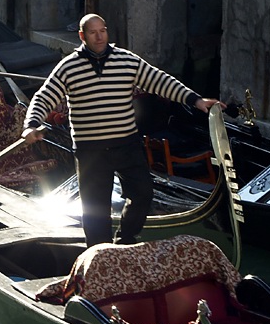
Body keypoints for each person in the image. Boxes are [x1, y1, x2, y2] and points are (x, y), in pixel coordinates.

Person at [21, 13, 223, 247]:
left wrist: (196, 100)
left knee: (143, 194)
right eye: (93, 32)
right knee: (96, 210)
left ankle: (126, 239)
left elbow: (160, 81)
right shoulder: (69, 67)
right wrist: (31, 124)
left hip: (126, 144)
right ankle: (99, 257)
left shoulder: (127, 61)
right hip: (91, 150)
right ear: (82, 36)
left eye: (103, 31)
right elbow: (44, 97)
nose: (99, 36)